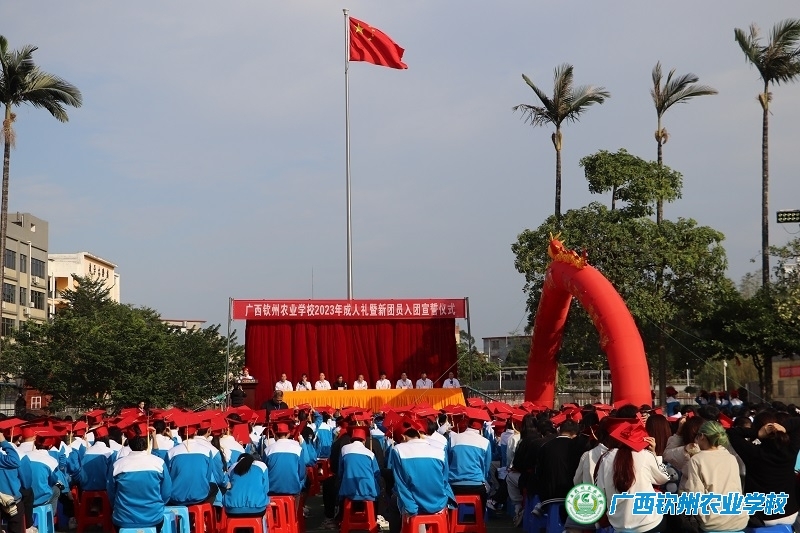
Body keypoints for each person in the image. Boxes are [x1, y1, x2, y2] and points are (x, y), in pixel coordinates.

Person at [594, 418, 670, 533]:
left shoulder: (605, 458)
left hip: (619, 524)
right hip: (648, 522)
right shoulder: (645, 455)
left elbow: (599, 490)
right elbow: (664, 478)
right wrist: (655, 455)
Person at [727, 411, 799, 528]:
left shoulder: (752, 452)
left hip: (761, 517)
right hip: (790, 513)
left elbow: (731, 432)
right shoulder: (790, 451)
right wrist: (783, 427)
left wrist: (756, 433)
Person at [681, 421, 748, 533]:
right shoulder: (731, 457)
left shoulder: (697, 459)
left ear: (702, 436)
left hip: (713, 522)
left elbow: (694, 493)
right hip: (739, 519)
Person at [108, 427, 172, 532]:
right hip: (153, 518)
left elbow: (111, 494)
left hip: (123, 519)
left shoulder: (117, 465)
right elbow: (166, 493)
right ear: (148, 441)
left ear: (129, 442)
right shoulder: (159, 464)